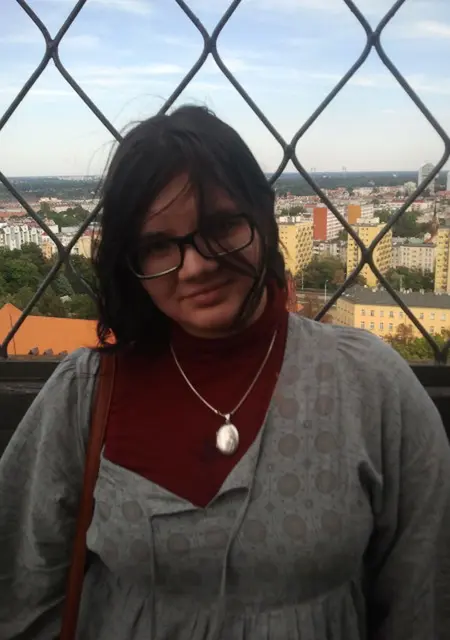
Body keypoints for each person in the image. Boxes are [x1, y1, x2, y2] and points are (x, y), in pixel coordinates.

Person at [0, 105, 449, 640]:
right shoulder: (85, 394)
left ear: (263, 219)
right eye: (157, 245)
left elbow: (423, 602)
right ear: (129, 262)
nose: (197, 265)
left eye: (220, 227)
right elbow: (23, 594)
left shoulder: (371, 385)